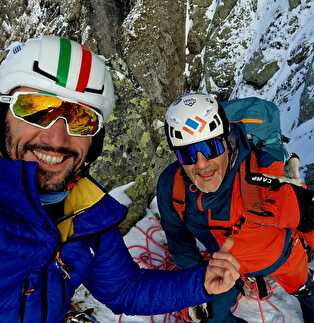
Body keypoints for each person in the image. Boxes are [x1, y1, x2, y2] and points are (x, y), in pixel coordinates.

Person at [0, 36, 240, 322]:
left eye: (81, 119)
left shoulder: (85, 213)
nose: (57, 138)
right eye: (36, 109)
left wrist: (200, 283)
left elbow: (125, 288)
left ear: (95, 142)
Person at [157, 93, 314, 323]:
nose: (201, 164)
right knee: (210, 319)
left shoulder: (263, 170)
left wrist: (311, 214)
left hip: (283, 256)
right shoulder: (173, 187)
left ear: (225, 141)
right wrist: (194, 287)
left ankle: (311, 292)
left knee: (311, 294)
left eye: (210, 148)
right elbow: (179, 241)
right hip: (228, 269)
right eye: (187, 153)